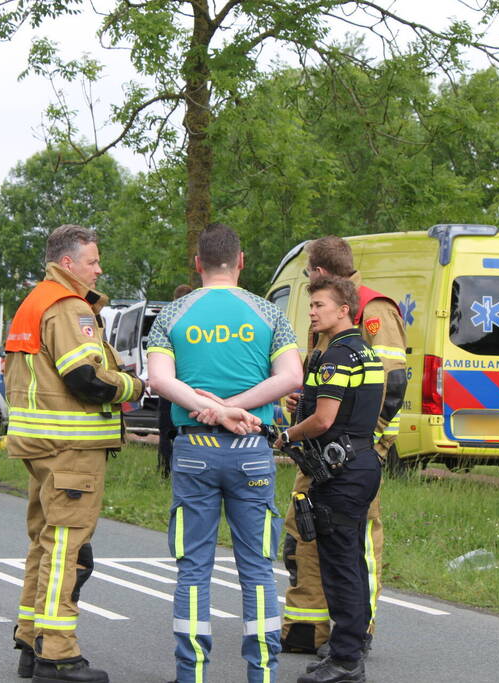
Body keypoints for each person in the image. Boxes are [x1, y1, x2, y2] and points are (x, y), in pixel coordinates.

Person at [147, 223, 303, 683]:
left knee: (193, 570)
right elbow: (291, 377)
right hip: (252, 449)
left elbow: (160, 380)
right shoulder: (268, 313)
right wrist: (237, 409)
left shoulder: (172, 314)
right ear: (241, 262)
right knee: (257, 569)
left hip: (194, 449)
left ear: (197, 263)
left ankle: (192, 673)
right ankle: (263, 674)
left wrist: (212, 409)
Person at [4, 225, 145, 683]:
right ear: (68, 263)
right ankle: (57, 653)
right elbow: (85, 378)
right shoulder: (68, 306)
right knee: (67, 548)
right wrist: (135, 385)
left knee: (45, 543)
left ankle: (32, 640)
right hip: (71, 448)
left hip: (40, 445)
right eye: (92, 261)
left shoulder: (35, 301)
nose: (99, 269)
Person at [281, 236, 407, 656]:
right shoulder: (329, 309)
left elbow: (390, 385)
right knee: (304, 530)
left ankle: (355, 633)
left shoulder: (372, 309)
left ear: (318, 271)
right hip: (317, 449)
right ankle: (306, 629)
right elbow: (327, 381)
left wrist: (364, 446)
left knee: (356, 543)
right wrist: (303, 402)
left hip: (350, 453)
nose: (312, 308)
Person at [274, 276, 385, 683]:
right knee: (351, 560)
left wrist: (287, 435)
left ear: (344, 310)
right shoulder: (365, 351)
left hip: (342, 471)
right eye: (311, 305)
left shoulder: (336, 356)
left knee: (340, 567)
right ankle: (345, 651)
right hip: (363, 462)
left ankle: (346, 661)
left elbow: (324, 420)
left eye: (319, 305)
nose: (312, 312)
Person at [156, 283, 194, 478]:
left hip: (168, 384)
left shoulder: (166, 319)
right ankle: (186, 468)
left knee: (165, 431)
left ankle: (165, 470)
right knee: (189, 428)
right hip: (190, 383)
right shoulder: (196, 321)